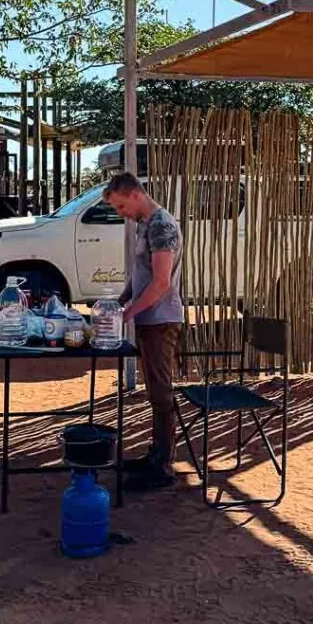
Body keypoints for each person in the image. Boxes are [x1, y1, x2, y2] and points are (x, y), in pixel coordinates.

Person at [103, 172, 183, 491]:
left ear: (135, 194)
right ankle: (155, 454)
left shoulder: (161, 225)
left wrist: (128, 313)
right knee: (154, 390)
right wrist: (120, 300)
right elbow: (142, 273)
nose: (121, 213)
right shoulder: (145, 224)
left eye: (121, 206)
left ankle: (163, 464)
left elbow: (161, 282)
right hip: (149, 318)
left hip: (161, 319)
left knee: (162, 392)